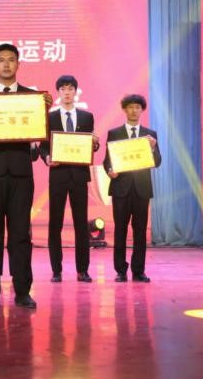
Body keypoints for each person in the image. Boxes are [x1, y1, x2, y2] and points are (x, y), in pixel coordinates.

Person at [0, 43, 52, 309]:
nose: (6, 64)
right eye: (1, 60)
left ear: (18, 64)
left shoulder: (32, 98)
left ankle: (22, 291)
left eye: (11, 60)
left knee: (20, 235)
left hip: (21, 174)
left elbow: (42, 137)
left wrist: (44, 113)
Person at [39, 75, 99, 283]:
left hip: (79, 176)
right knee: (55, 223)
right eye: (63, 89)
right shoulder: (50, 117)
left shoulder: (86, 117)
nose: (67, 92)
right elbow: (43, 147)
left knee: (81, 224)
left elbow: (90, 145)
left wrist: (95, 144)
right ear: (58, 93)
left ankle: (83, 270)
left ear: (76, 92)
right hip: (58, 175)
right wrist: (47, 158)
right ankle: (56, 270)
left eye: (70, 88)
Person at [103, 94, 161, 283]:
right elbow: (107, 161)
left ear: (142, 110)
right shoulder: (114, 133)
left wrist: (153, 148)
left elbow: (157, 162)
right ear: (124, 110)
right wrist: (110, 170)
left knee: (140, 231)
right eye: (130, 107)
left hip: (141, 189)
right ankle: (120, 270)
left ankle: (138, 271)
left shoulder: (150, 135)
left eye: (137, 107)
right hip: (120, 188)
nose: (134, 110)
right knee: (120, 230)